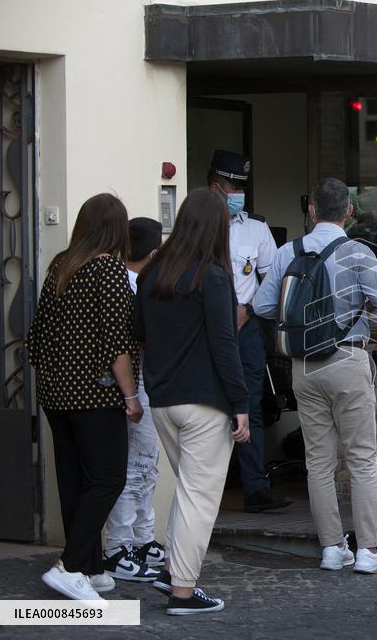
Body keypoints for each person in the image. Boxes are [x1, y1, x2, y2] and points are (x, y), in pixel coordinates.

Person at [253, 177, 377, 574]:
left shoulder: (289, 251)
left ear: (312, 210)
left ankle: (333, 547)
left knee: (318, 461)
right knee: (361, 458)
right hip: (347, 360)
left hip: (303, 367)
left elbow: (263, 305)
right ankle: (369, 550)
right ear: (350, 212)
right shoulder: (357, 252)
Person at [135, 188, 251, 615]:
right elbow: (225, 344)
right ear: (218, 228)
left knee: (187, 490)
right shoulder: (213, 276)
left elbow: (140, 333)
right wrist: (241, 403)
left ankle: (172, 572)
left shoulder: (151, 275)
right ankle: (183, 590)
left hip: (163, 399)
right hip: (205, 401)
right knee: (199, 497)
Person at [26, 193, 143, 602]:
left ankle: (90, 569)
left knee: (75, 483)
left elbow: (36, 337)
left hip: (56, 395)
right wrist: (131, 396)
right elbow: (117, 344)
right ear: (117, 230)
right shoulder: (108, 269)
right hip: (95, 395)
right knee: (108, 479)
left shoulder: (61, 264)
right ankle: (71, 565)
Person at [208, 149, 292, 513]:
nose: (238, 193)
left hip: (244, 329)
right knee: (207, 408)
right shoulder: (197, 225)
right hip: (205, 331)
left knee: (251, 407)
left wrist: (247, 309)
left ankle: (255, 487)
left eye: (241, 186)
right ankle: (206, 490)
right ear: (215, 187)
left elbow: (270, 281)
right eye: (231, 186)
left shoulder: (256, 228)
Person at [102, 217, 164, 583]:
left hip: (138, 384)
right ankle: (119, 546)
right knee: (136, 468)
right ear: (154, 253)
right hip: (135, 385)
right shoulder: (132, 287)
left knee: (144, 466)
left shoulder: (125, 281)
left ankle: (141, 539)